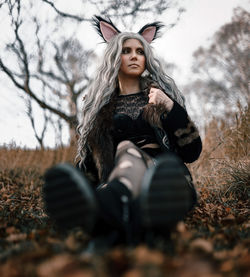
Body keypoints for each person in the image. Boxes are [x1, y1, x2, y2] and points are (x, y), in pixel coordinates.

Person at [43, 16, 202, 248]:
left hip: (166, 180)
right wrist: (78, 187)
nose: (135, 56)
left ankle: (106, 213)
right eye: (126, 50)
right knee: (119, 165)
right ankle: (125, 218)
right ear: (114, 56)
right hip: (117, 176)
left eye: (140, 51)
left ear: (147, 57)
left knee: (127, 151)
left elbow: (192, 151)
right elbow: (91, 163)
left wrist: (170, 106)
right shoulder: (100, 108)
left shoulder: (162, 97)